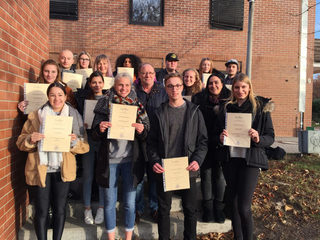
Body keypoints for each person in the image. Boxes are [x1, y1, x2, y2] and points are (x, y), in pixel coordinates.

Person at [16, 82, 89, 240]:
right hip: (40, 169)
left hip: (62, 170)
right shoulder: (36, 115)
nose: (57, 99)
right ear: (48, 97)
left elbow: (85, 146)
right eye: (52, 95)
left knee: (60, 209)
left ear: (65, 96)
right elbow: (20, 142)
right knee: (41, 210)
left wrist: (74, 142)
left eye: (60, 95)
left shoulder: (74, 114)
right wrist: (31, 138)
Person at [148, 72, 208, 240]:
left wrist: (197, 160)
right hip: (166, 168)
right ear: (165, 89)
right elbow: (151, 143)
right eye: (170, 86)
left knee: (190, 209)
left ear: (183, 87)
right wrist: (154, 161)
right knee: (164, 209)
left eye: (178, 85)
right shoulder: (158, 112)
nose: (174, 89)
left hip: (187, 167)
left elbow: (203, 141)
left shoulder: (195, 111)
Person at [92, 72, 149, 240]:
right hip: (110, 160)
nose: (123, 88)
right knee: (109, 203)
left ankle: (128, 237)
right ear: (114, 86)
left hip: (131, 160)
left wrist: (141, 130)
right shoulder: (104, 103)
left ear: (131, 86)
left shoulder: (137, 104)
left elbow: (147, 130)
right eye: (120, 85)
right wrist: (100, 128)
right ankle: (110, 237)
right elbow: (94, 134)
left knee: (130, 203)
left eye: (126, 85)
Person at [219, 73, 274, 240]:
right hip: (231, 160)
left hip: (250, 161)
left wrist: (258, 138)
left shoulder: (260, 107)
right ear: (232, 89)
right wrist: (220, 137)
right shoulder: (227, 107)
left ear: (249, 88)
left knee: (243, 206)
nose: (240, 90)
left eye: (244, 87)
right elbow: (216, 131)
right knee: (233, 205)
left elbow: (270, 137)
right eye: (237, 87)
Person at [192, 69, 231, 223]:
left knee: (220, 177)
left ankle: (218, 208)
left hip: (222, 144)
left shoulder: (229, 100)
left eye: (216, 83)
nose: (213, 85)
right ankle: (207, 209)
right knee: (206, 176)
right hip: (205, 143)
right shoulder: (200, 100)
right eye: (210, 83)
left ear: (222, 84)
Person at [133, 63, 168, 223]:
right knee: (138, 177)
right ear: (139, 75)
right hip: (137, 140)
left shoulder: (162, 91)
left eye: (150, 72)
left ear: (154, 75)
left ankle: (154, 208)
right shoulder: (133, 91)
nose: (147, 75)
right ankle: (138, 209)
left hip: (156, 140)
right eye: (144, 73)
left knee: (155, 176)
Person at [74, 71, 106, 225]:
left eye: (99, 82)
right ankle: (87, 208)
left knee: (101, 175)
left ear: (103, 83)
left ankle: (101, 207)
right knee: (87, 175)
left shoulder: (108, 99)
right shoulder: (83, 99)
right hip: (87, 141)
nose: (97, 85)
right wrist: (82, 125)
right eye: (94, 82)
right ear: (90, 83)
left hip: (102, 142)